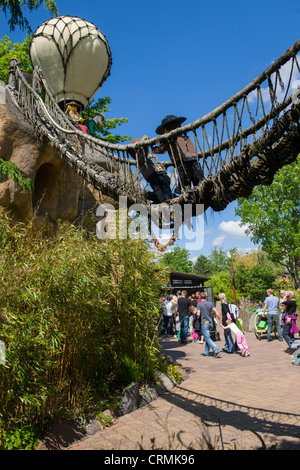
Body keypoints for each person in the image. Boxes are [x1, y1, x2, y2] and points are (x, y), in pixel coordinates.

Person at [152, 115, 204, 195]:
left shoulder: (182, 138)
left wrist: (153, 147)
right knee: (189, 182)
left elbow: (160, 150)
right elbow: (160, 150)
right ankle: (192, 200)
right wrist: (153, 147)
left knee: (197, 181)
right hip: (185, 161)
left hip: (190, 160)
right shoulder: (172, 140)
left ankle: (197, 198)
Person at [128, 137, 173, 203]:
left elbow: (157, 162)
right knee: (156, 186)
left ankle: (169, 196)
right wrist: (145, 146)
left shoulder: (151, 156)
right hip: (150, 174)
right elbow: (143, 155)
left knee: (164, 182)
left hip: (158, 172)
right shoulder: (139, 159)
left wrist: (162, 168)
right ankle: (163, 200)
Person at [197, 292, 221, 357]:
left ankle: (216, 350)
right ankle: (206, 352)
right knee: (208, 336)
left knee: (207, 337)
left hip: (204, 322)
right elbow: (216, 311)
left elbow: (198, 314)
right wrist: (219, 319)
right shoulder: (210, 303)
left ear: (200, 297)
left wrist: (197, 313)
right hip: (210, 322)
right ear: (206, 297)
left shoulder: (199, 304)